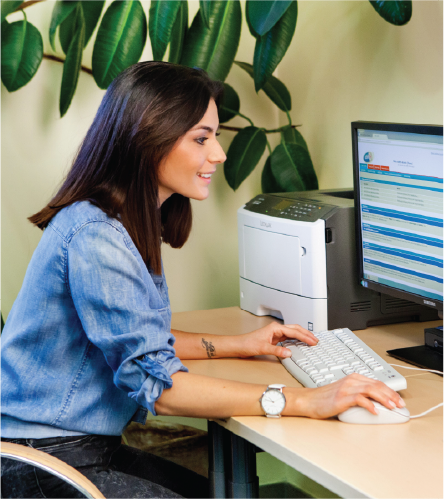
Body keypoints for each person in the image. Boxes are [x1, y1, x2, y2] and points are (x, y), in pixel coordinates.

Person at [0, 62, 404, 499]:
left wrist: (243, 344)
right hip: (42, 458)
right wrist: (304, 400)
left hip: (76, 444)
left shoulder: (121, 219)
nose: (219, 154)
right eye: (201, 138)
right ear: (147, 139)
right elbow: (163, 389)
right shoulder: (96, 235)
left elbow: (137, 338)